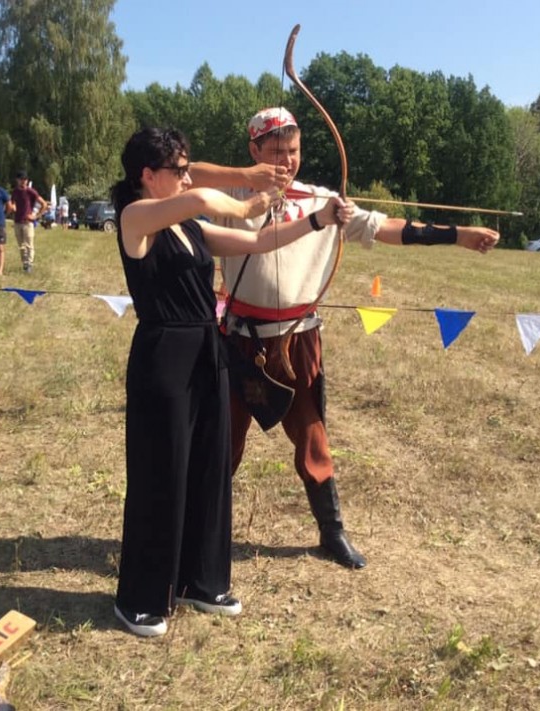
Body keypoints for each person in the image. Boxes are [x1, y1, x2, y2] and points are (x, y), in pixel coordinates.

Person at [191, 107, 501, 570]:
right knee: (223, 439)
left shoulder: (323, 201)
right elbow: (185, 174)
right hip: (240, 339)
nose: (286, 161)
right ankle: (198, 532)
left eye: (293, 151)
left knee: (313, 437)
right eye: (275, 152)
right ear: (254, 150)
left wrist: (459, 236)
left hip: (297, 340)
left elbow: (389, 228)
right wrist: (248, 178)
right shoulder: (233, 196)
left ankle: (331, 531)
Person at [111, 127, 352, 637]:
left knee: (208, 466)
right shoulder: (136, 217)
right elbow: (202, 196)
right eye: (177, 169)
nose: (186, 176)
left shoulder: (188, 228)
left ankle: (201, 581)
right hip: (164, 357)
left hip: (207, 350)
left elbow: (261, 241)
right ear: (147, 176)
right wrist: (248, 199)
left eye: (186, 168)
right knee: (161, 473)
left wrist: (318, 219)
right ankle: (140, 598)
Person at [9, 170, 46, 273]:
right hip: (17, 221)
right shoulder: (15, 192)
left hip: (27, 222)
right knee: (21, 245)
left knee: (29, 244)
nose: (23, 181)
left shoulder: (31, 191)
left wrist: (36, 216)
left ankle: (29, 264)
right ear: (17, 180)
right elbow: (12, 203)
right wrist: (12, 207)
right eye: (21, 179)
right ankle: (25, 263)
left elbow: (44, 204)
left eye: (25, 179)